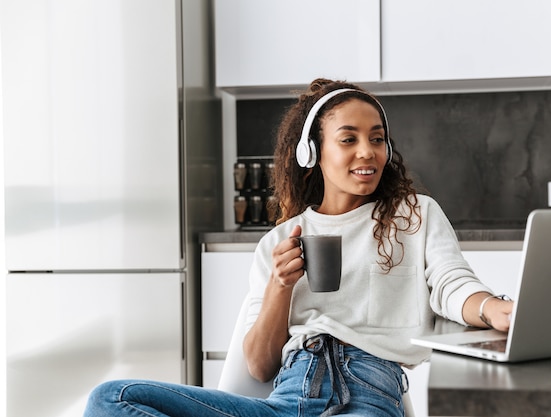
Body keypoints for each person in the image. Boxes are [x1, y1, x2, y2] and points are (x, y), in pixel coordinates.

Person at [83, 78, 514, 417]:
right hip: (285, 399)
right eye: (348, 139)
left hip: (367, 395)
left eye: (378, 138)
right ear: (313, 152)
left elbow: (452, 284)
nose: (368, 151)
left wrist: (493, 308)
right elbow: (258, 366)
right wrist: (280, 287)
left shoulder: (413, 215)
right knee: (111, 399)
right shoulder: (281, 239)